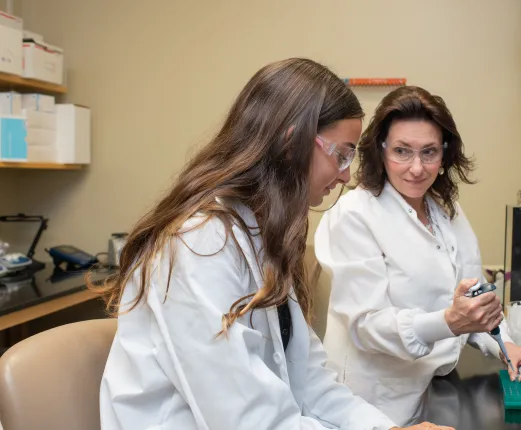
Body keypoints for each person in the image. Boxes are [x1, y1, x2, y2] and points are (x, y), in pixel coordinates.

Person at [94, 59, 453, 430]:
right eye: (341, 155)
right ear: (290, 142)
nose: (346, 175)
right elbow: (246, 420)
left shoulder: (262, 234)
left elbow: (310, 380)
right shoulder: (198, 243)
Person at [314, 86, 521, 426]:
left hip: (435, 391)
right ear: (380, 150)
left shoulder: (445, 210)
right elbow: (366, 325)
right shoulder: (354, 215)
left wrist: (508, 348)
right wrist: (449, 321)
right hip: (374, 404)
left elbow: (475, 302)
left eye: (429, 152)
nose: (417, 168)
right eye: (402, 151)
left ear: (445, 153)